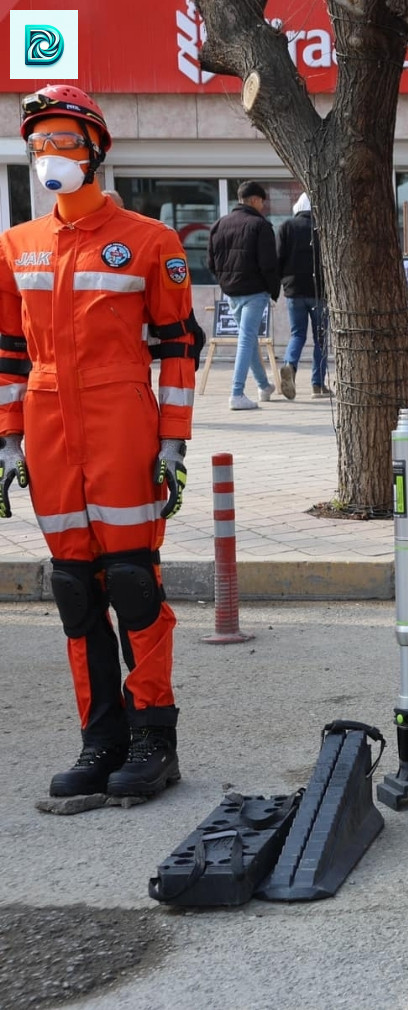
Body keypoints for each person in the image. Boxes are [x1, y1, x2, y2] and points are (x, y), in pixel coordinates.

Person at [0, 86, 203, 798]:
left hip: (122, 417)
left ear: (96, 152)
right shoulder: (17, 245)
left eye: (66, 143)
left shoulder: (151, 240)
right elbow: (7, 352)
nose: (51, 156)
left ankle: (154, 738)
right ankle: (99, 742)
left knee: (132, 580)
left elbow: (178, 346)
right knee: (73, 589)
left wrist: (173, 441)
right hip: (50, 422)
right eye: (41, 144)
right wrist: (7, 438)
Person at [208, 180, 279, 410]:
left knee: (248, 339)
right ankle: (236, 393)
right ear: (256, 200)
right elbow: (268, 263)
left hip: (230, 291)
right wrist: (273, 290)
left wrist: (225, 282)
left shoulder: (219, 224)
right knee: (247, 339)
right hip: (254, 291)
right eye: (262, 203)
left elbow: (211, 262)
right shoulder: (260, 225)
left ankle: (263, 386)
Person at [276, 192, 328, 400]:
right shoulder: (322, 228)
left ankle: (290, 364)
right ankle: (318, 385)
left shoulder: (286, 226)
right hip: (319, 291)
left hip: (293, 290)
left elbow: (278, 257)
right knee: (321, 339)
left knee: (297, 334)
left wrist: (282, 283)